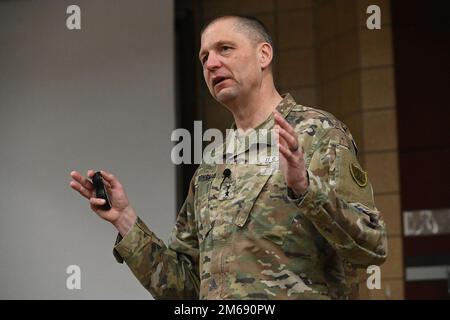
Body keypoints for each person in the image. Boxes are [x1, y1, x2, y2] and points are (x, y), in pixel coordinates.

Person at [70, 15, 387, 300]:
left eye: (225, 49)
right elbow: (184, 287)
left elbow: (371, 248)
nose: (210, 63)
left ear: (264, 55)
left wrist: (305, 189)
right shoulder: (213, 161)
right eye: (204, 57)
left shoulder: (317, 134)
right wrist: (125, 220)